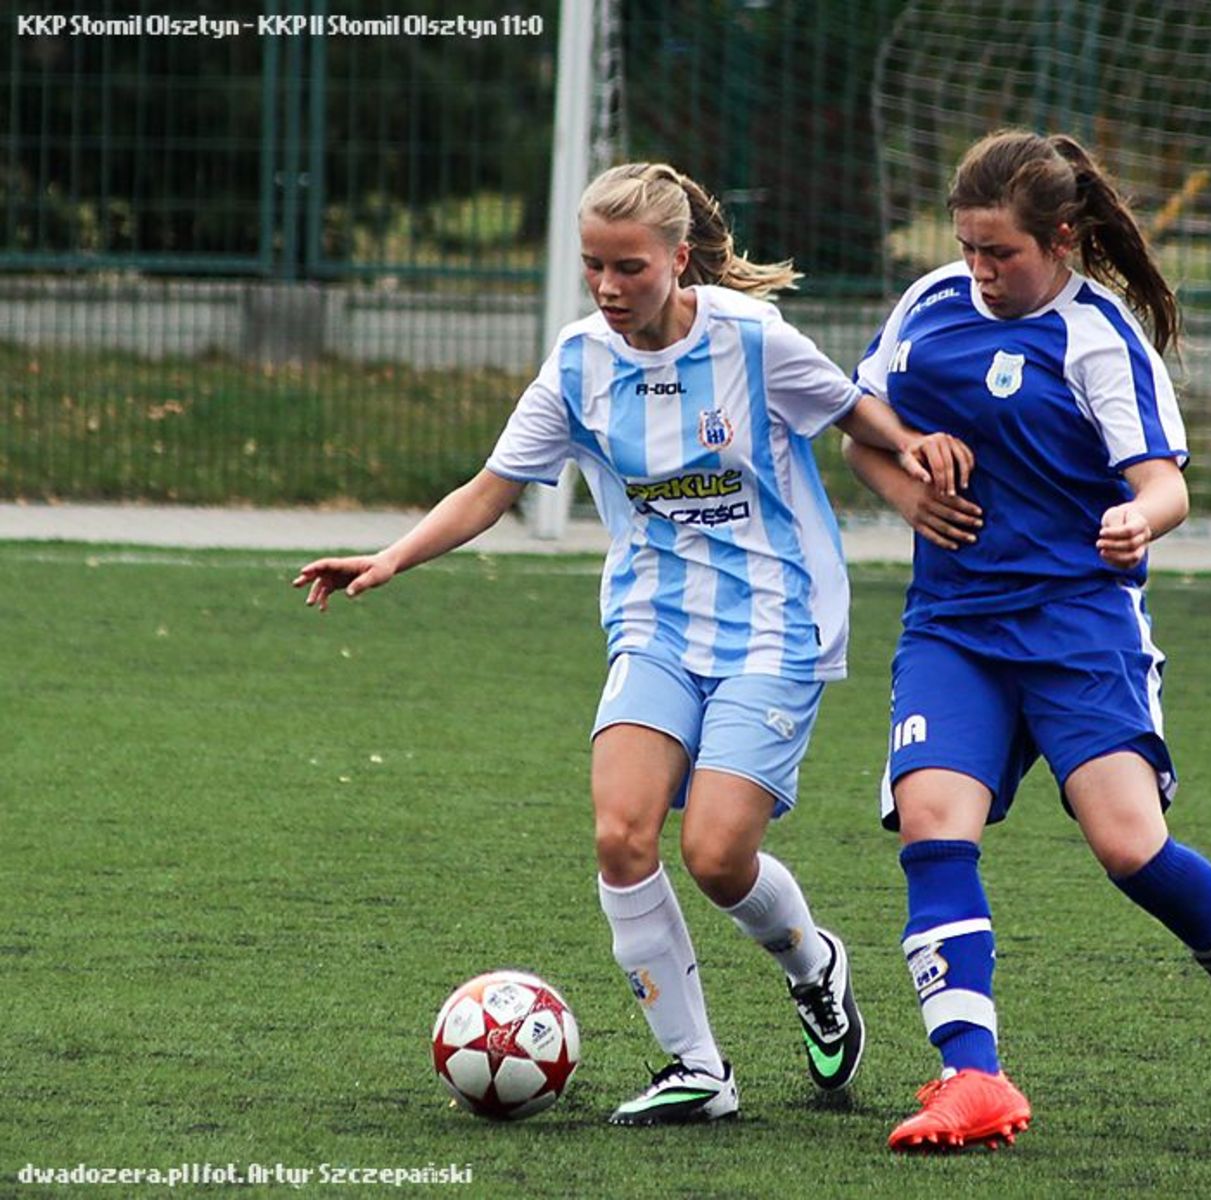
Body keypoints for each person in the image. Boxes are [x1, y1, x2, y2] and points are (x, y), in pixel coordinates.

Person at [294, 162, 968, 1127]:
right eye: (591, 267)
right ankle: (697, 1066)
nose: (608, 288)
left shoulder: (753, 342)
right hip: (653, 624)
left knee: (718, 857)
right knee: (620, 835)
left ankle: (813, 964)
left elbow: (854, 414)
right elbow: (492, 486)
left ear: (678, 259)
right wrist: (393, 556)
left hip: (776, 625)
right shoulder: (575, 363)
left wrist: (914, 452)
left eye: (628, 268)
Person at [844, 129, 1211, 1152]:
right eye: (967, 246)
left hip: (1075, 626)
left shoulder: (1098, 336)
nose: (978, 269)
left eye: (1000, 253)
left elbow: (1164, 482)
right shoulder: (929, 306)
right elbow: (861, 427)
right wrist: (905, 490)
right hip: (954, 626)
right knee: (934, 828)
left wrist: (1137, 519)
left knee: (1126, 846)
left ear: (1060, 239)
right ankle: (971, 1076)